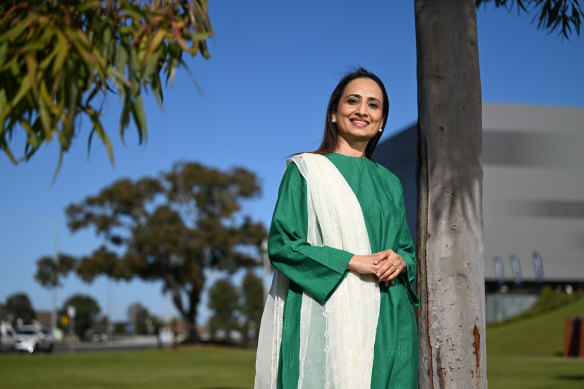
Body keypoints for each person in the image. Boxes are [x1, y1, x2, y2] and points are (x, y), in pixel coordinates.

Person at [255, 68, 419, 389]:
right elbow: (283, 245)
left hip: (389, 316)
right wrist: (351, 261)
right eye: (353, 101)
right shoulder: (306, 170)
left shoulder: (390, 183)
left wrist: (401, 261)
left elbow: (406, 251)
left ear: (382, 121)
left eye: (373, 105)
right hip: (329, 313)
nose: (362, 110)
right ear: (334, 113)